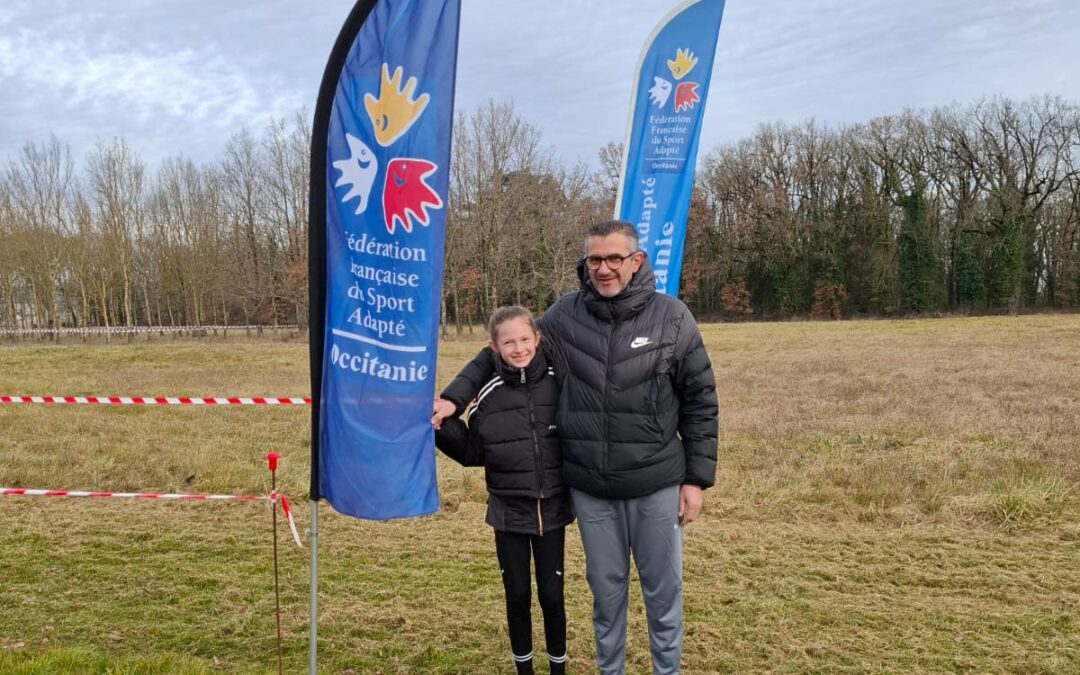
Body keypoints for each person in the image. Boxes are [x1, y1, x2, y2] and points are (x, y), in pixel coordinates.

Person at [434, 220, 718, 674]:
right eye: (595, 260)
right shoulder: (563, 318)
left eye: (614, 258)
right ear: (584, 264)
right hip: (590, 490)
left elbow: (701, 400)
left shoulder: (672, 317)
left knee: (663, 596)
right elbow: (502, 349)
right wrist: (452, 397)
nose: (604, 269)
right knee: (606, 597)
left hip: (657, 484)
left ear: (636, 260)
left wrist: (696, 480)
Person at [433, 305, 572, 675]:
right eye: (508, 342)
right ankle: (523, 668)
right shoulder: (487, 392)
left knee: (551, 595)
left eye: (525, 339)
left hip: (553, 510)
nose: (519, 348)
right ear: (493, 347)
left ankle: (558, 667)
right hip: (508, 513)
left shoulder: (560, 379)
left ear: (537, 340)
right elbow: (473, 452)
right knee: (518, 595)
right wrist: (442, 427)